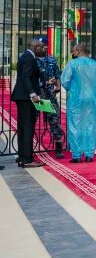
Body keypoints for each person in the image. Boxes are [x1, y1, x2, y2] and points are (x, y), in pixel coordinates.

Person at [61, 43, 96, 163]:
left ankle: (76, 155)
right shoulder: (95, 64)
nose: (72, 53)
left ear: (78, 51)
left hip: (76, 99)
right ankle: (89, 154)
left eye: (73, 51)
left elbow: (65, 81)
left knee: (75, 125)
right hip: (91, 99)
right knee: (91, 124)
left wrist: (73, 89)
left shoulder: (72, 64)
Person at [10, 39, 45, 168]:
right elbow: (26, 77)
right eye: (41, 47)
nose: (43, 49)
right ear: (35, 46)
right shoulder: (29, 58)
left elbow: (31, 76)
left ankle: (23, 156)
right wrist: (33, 94)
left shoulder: (25, 56)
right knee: (27, 127)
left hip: (22, 96)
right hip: (26, 98)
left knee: (23, 128)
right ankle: (27, 159)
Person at [34, 37, 65, 158]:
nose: (44, 47)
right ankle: (28, 148)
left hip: (49, 96)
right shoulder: (33, 60)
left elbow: (57, 74)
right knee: (33, 120)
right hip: (37, 96)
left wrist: (57, 86)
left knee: (54, 121)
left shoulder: (51, 60)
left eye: (46, 45)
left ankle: (58, 148)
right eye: (42, 45)